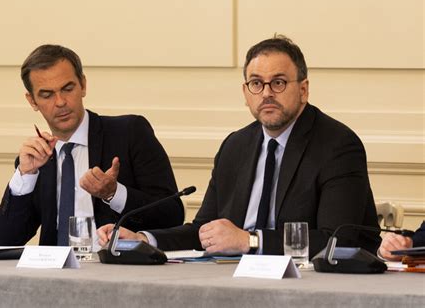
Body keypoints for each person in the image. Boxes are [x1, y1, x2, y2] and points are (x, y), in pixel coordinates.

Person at [97, 35, 381, 257]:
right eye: (257, 83)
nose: (267, 93)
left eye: (279, 83)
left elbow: (338, 238)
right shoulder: (236, 146)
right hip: (239, 277)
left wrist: (250, 241)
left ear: (303, 89)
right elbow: (204, 231)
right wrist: (144, 239)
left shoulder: (337, 145)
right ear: (246, 93)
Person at [0, 45, 184, 249]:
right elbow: (8, 239)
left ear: (83, 85)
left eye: (67, 89)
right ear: (32, 101)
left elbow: (172, 215)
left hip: (116, 271)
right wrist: (25, 175)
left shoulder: (129, 133)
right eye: (47, 95)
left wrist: (114, 193)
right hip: (54, 274)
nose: (60, 102)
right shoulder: (36, 158)